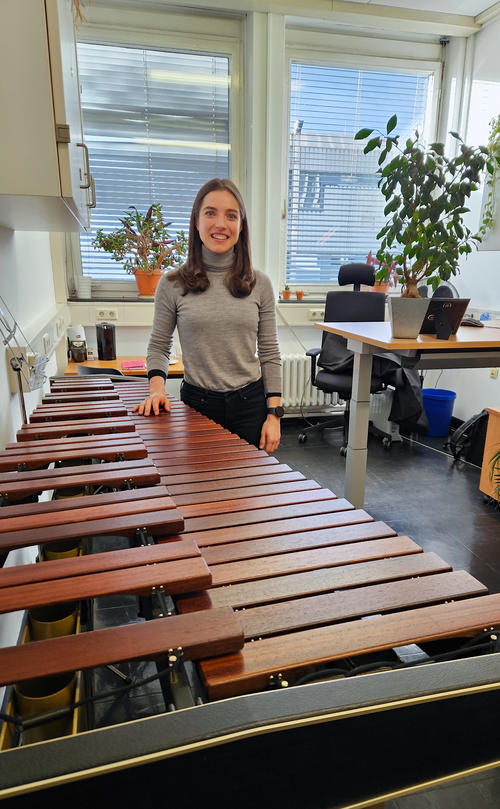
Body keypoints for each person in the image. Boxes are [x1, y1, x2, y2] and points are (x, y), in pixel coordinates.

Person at [133, 178, 282, 453]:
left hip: (250, 405)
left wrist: (274, 414)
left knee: (247, 492)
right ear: (196, 221)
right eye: (210, 213)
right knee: (198, 489)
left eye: (231, 215)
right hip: (197, 404)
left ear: (241, 225)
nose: (220, 224)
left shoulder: (260, 284)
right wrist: (156, 390)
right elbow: (159, 345)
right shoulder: (171, 284)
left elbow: (270, 352)